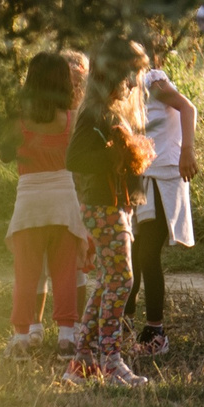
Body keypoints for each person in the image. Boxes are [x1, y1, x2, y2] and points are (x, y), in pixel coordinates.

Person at [66, 41, 156, 386]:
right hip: (102, 205)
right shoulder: (94, 113)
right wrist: (114, 153)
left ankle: (82, 361)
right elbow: (74, 159)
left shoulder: (112, 112)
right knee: (122, 280)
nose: (133, 83)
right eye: (129, 74)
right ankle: (111, 360)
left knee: (108, 281)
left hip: (114, 204)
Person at [5, 50, 89, 360]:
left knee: (26, 271)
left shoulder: (19, 118)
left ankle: (21, 338)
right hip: (63, 199)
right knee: (66, 270)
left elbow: (4, 153)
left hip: (30, 199)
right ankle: (67, 338)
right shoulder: (71, 117)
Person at [131, 46, 197, 355]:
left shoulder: (152, 80)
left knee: (146, 252)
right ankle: (127, 314)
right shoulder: (123, 90)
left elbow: (187, 108)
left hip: (162, 174)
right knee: (132, 250)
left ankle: (155, 331)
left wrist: (187, 150)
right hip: (141, 174)